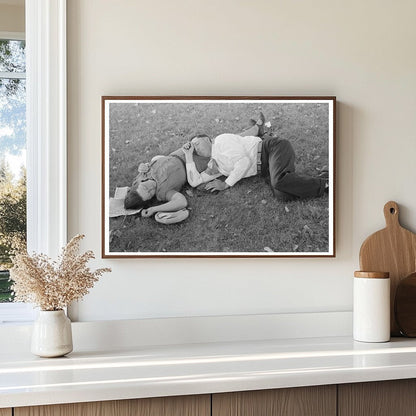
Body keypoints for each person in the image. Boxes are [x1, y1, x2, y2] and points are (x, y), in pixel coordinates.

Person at [182, 117, 328, 201]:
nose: (197, 148)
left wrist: (225, 184)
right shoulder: (216, 165)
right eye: (195, 149)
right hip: (266, 167)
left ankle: (326, 184)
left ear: (207, 139)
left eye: (197, 143)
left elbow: (243, 162)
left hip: (272, 148)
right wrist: (189, 156)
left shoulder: (221, 141)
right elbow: (195, 181)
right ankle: (321, 178)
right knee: (282, 195)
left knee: (279, 181)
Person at [123, 146, 209, 218]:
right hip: (193, 162)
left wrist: (143, 165)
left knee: (201, 141)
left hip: (180, 152)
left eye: (145, 187)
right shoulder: (163, 193)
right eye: (150, 194)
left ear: (139, 184)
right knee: (210, 147)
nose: (151, 188)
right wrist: (153, 209)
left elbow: (134, 181)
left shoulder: (142, 175)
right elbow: (182, 202)